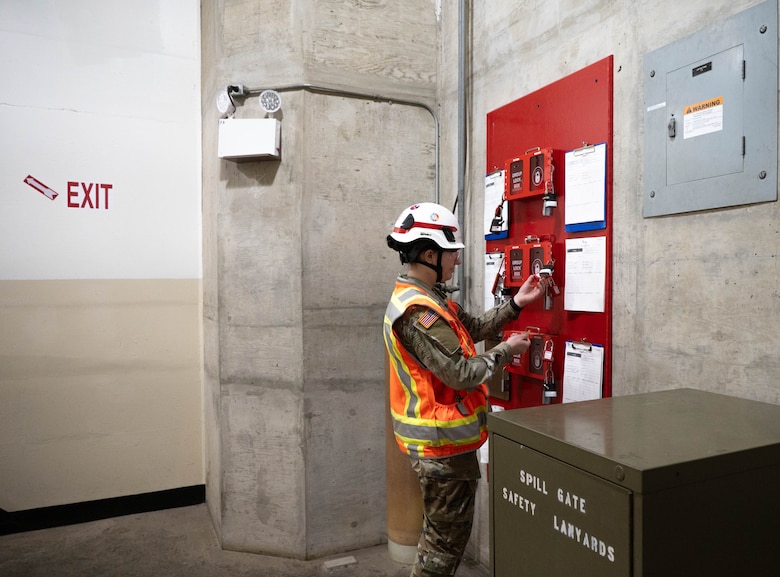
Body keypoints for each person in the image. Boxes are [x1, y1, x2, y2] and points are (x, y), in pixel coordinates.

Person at [383, 202, 546, 577]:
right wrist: (507, 351)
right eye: (451, 253)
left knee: (440, 543)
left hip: (446, 447)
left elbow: (469, 329)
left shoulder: (431, 299)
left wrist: (515, 305)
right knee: (441, 553)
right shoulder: (417, 312)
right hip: (440, 452)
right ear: (429, 255)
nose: (456, 260)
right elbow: (459, 372)